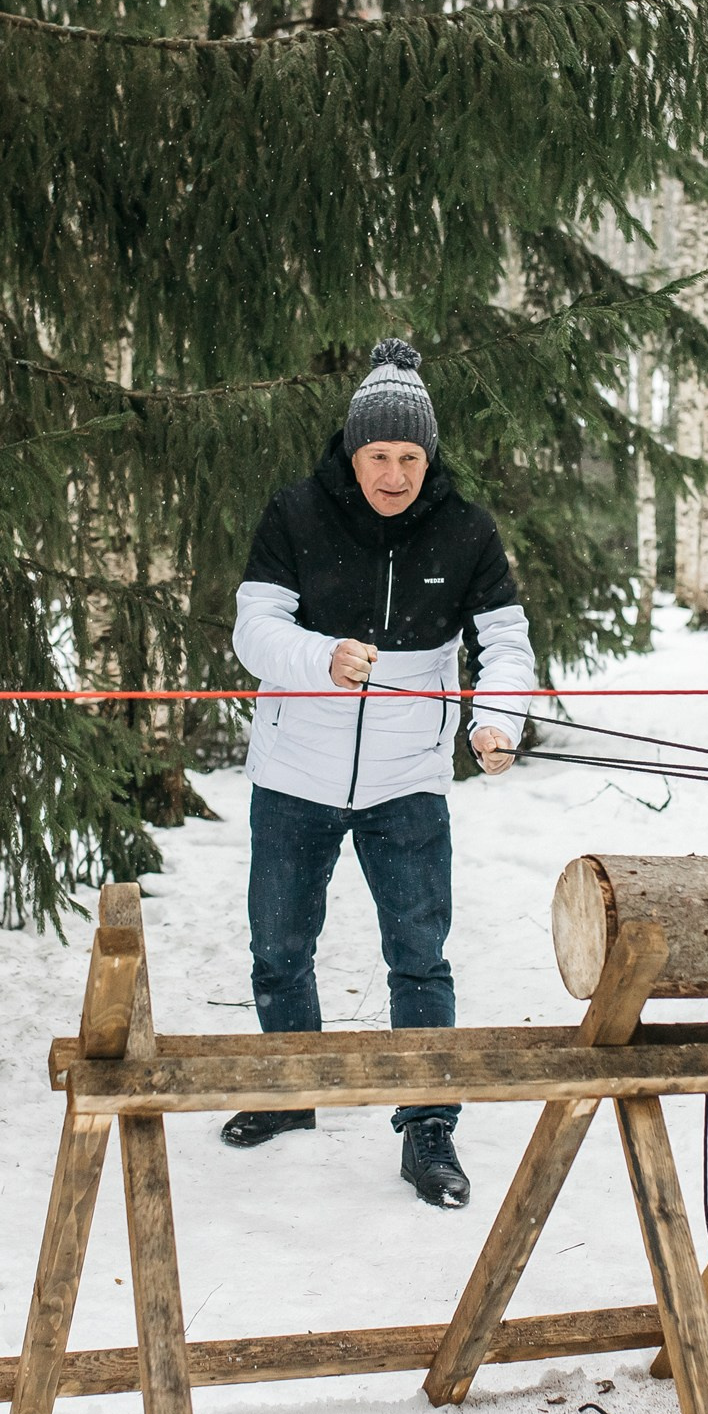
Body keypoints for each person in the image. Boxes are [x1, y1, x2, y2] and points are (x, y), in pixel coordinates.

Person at [223, 339, 535, 1207]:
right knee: (279, 948)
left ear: (428, 458)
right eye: (378, 456)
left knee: (419, 956)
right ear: (352, 451)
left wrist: (497, 720)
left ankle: (428, 1124)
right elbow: (254, 630)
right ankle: (291, 1088)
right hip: (295, 770)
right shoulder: (296, 514)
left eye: (409, 458)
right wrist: (320, 656)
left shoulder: (466, 529)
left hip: (408, 779)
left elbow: (505, 644)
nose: (393, 476)